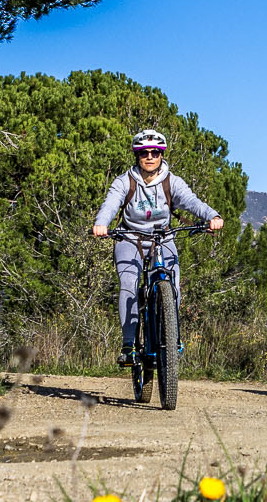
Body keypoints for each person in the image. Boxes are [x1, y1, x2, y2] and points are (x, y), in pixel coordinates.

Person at [91, 128, 224, 365]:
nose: (149, 157)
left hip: (163, 238)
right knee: (129, 284)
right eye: (144, 153)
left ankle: (172, 337)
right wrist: (101, 223)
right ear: (137, 156)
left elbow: (192, 202)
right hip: (130, 239)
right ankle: (129, 345)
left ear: (161, 154)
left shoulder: (172, 182)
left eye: (155, 152)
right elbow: (110, 204)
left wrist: (212, 216)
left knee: (173, 285)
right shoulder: (125, 181)